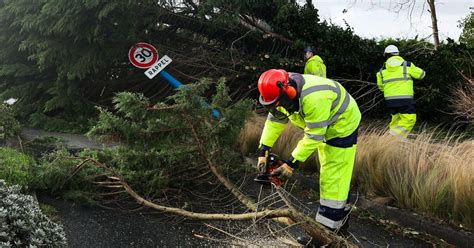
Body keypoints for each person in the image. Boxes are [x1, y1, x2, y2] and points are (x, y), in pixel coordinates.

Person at [256, 69, 361, 238]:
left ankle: (326, 235)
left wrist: (291, 164)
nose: (278, 107)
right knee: (339, 178)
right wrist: (263, 150)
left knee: (333, 179)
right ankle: (341, 227)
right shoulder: (279, 96)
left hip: (341, 126)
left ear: (288, 91)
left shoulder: (315, 98)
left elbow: (314, 135)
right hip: (322, 126)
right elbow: (275, 120)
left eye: (279, 103)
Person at [377, 45, 426, 137]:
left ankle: (391, 144)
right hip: (405, 99)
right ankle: (392, 138)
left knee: (395, 120)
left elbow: (381, 87)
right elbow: (421, 75)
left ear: (386, 55)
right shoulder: (407, 65)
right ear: (398, 54)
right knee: (409, 119)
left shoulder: (381, 71)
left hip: (390, 101)